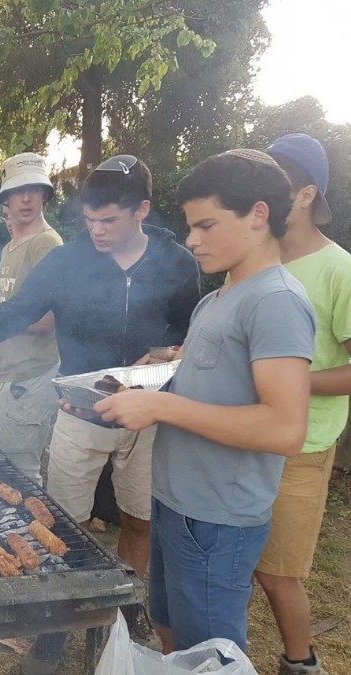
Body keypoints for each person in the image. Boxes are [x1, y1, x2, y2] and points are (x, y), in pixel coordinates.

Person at [0, 156, 199, 584]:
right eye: (90, 219)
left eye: (108, 221)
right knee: (63, 522)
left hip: (148, 413)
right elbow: (15, 313)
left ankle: (128, 603)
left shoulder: (178, 264)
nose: (97, 231)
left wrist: (171, 352)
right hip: (80, 412)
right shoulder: (67, 261)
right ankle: (54, 627)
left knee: (139, 519)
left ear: (142, 210)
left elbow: (187, 331)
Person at [95, 149, 316, 654]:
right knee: (177, 635)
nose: (192, 240)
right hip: (176, 501)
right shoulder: (216, 299)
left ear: (258, 215)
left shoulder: (275, 300)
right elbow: (198, 389)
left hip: (218, 517)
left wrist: (161, 409)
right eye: (190, 226)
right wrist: (124, 397)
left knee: (212, 654)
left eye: (206, 225)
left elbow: (285, 429)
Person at [254, 134, 350, 675]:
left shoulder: (339, 270)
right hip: (244, 433)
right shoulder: (254, 258)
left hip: (302, 444)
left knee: (279, 572)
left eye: (277, 185)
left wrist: (290, 382)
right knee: (237, 560)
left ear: (307, 193)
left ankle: (302, 662)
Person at [0, 152, 63, 481]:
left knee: (22, 473)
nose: (26, 198)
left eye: (33, 189)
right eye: (17, 191)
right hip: (2, 372)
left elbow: (50, 320)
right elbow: (12, 302)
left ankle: (27, 532)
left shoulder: (47, 244)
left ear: (44, 193)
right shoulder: (10, 247)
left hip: (30, 377)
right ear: (6, 199)